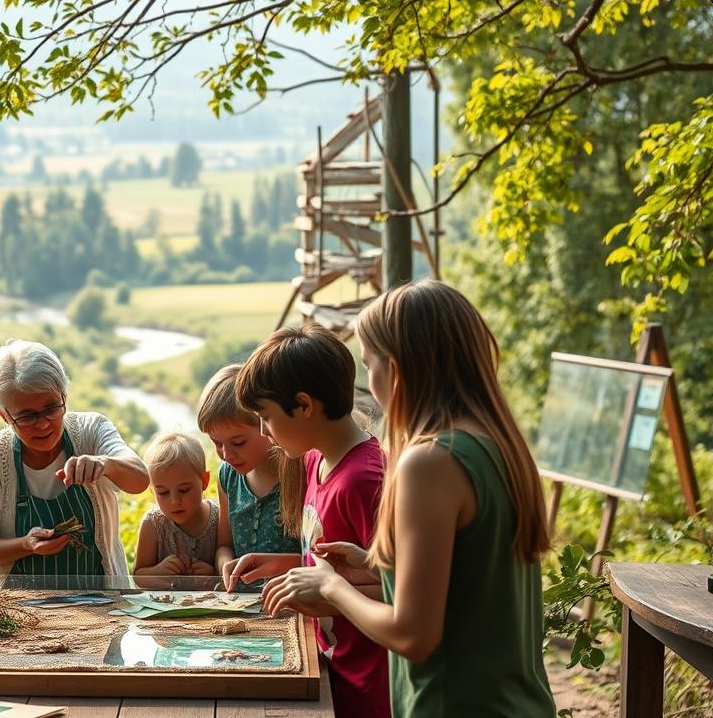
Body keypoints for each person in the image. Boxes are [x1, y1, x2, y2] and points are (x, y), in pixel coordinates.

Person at [261, 281, 556, 717]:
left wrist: (332, 587)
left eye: (369, 366)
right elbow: (470, 578)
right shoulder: (500, 447)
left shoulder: (428, 463)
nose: (370, 385)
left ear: (395, 371)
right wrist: (376, 562)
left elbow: (412, 634)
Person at [233, 322, 388, 718]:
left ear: (303, 405)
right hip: (332, 664)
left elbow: (402, 595)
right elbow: (342, 564)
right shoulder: (315, 457)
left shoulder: (365, 482)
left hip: (372, 685)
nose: (265, 433)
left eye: (265, 417)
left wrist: (328, 595)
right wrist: (285, 566)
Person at [0, 339, 149, 582]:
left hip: (100, 599)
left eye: (51, 408)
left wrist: (105, 463)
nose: (43, 424)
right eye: (27, 416)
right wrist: (25, 544)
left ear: (64, 395)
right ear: (4, 416)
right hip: (16, 606)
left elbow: (140, 480)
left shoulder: (92, 431)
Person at [198, 364, 302, 590]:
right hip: (244, 603)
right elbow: (224, 545)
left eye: (238, 443)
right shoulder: (228, 476)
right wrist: (225, 565)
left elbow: (319, 559)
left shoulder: (300, 472)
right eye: (216, 443)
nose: (226, 455)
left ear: (266, 424)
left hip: (294, 603)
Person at [132, 432, 219, 577]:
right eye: (163, 492)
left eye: (184, 490)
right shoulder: (153, 524)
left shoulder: (220, 519)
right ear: (152, 491)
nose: (175, 501)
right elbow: (138, 576)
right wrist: (157, 572)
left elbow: (230, 569)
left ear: (205, 481)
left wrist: (214, 575)